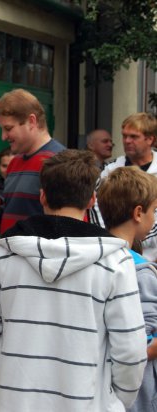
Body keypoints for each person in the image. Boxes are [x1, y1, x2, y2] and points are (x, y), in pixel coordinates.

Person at [0, 149, 147, 411]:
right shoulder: (115, 261)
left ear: (42, 196)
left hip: (13, 401)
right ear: (91, 200)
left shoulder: (5, 253)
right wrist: (114, 401)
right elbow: (130, 351)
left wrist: (5, 375)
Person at [97, 167, 157, 412]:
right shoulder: (141, 272)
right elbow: (142, 346)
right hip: (135, 397)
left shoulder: (94, 257)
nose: (155, 218)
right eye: (154, 210)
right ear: (138, 213)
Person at [0, 88, 65, 235]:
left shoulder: (59, 162)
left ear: (32, 121)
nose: (3, 137)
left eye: (8, 128)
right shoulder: (14, 163)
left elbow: (63, 225)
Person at [89, 113, 157, 261]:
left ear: (150, 139)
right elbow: (97, 209)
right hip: (114, 255)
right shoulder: (109, 169)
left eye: (133, 137)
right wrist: (119, 240)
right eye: (124, 136)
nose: (127, 141)